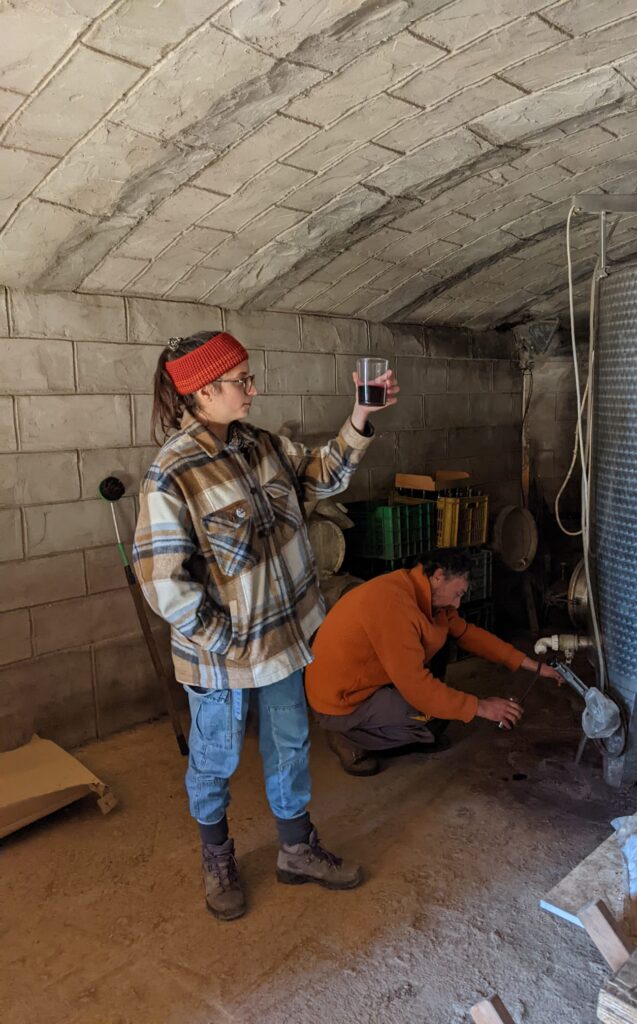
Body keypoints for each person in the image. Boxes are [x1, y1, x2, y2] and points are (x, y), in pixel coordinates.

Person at [133, 329, 398, 920]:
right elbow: (160, 579)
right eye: (239, 381)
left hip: (282, 639)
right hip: (221, 655)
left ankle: (296, 849)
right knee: (215, 756)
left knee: (290, 744)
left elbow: (323, 476)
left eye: (249, 377)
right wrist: (222, 637)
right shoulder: (172, 473)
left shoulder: (261, 445)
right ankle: (217, 856)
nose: (252, 389)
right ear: (201, 392)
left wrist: (360, 415)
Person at [305, 549, 563, 776]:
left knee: (441, 671)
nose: (457, 603)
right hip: (341, 700)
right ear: (438, 576)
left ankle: (384, 724)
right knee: (428, 717)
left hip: (366, 680)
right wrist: (482, 707)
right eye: (457, 593)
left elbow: (469, 635)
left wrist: (533, 665)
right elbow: (418, 688)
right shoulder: (392, 603)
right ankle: (347, 738)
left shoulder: (423, 593)